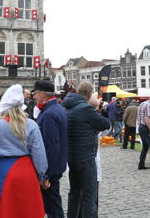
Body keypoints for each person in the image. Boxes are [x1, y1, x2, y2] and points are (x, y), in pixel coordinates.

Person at [0, 84, 48, 218]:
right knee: (28, 210)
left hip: (4, 168)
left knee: (8, 209)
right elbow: (39, 154)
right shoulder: (31, 124)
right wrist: (42, 176)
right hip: (27, 170)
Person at [62, 82, 110, 218]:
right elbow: (105, 124)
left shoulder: (66, 106)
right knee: (89, 194)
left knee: (74, 192)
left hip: (71, 156)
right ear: (90, 94)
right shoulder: (85, 108)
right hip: (86, 157)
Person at [33, 80, 68, 218]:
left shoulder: (49, 114)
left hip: (51, 169)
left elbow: (50, 146)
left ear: (42, 94)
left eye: (35, 93)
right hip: (57, 166)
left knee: (53, 207)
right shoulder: (57, 108)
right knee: (53, 204)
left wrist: (45, 174)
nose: (34, 96)